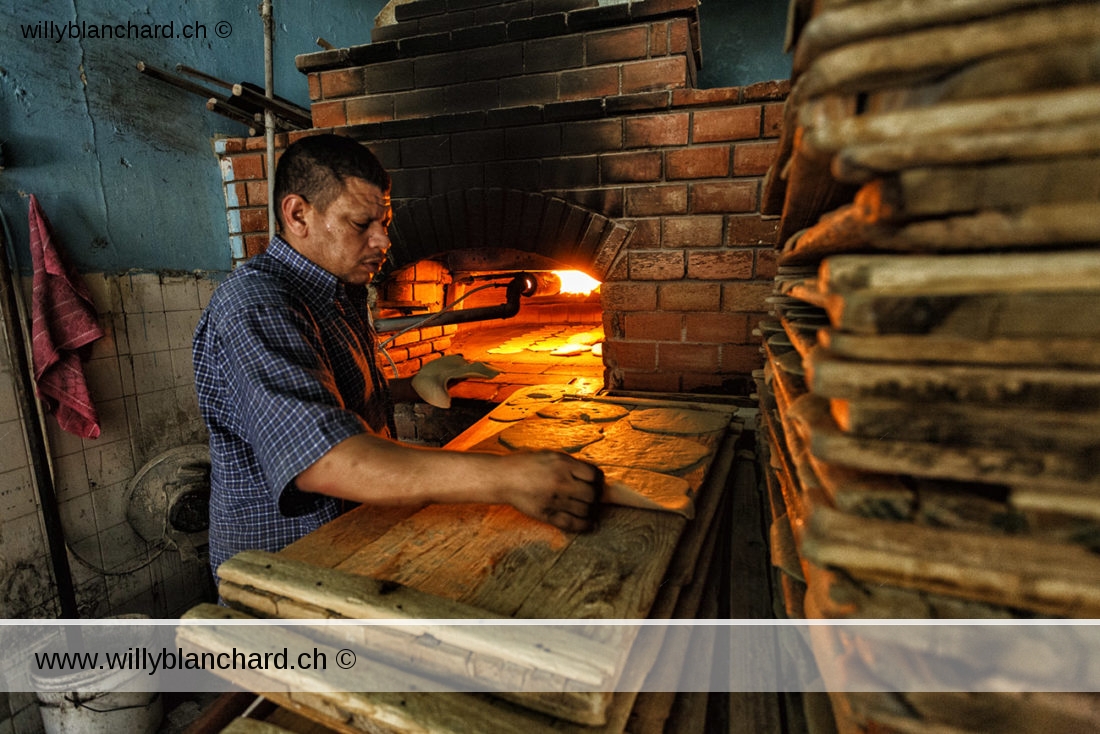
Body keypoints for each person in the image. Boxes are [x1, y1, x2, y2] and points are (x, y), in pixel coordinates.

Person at [193, 133, 601, 582]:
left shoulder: (335, 292)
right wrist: (507, 477)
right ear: (298, 215)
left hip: (351, 549)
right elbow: (326, 460)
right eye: (361, 224)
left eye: (384, 222)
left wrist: (413, 385)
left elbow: (324, 397)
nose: (383, 240)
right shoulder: (257, 305)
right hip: (286, 579)